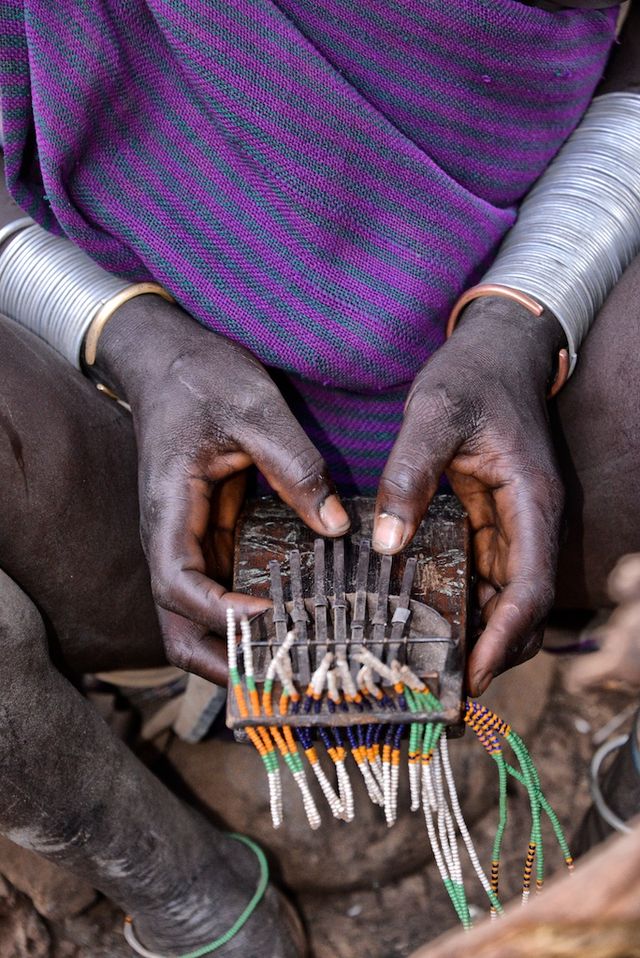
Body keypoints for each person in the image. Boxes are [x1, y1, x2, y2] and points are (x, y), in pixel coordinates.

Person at [0, 1, 638, 954]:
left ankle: (625, 819)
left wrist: (525, 315)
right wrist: (126, 337)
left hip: (545, 345)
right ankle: (190, 894)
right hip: (111, 400)